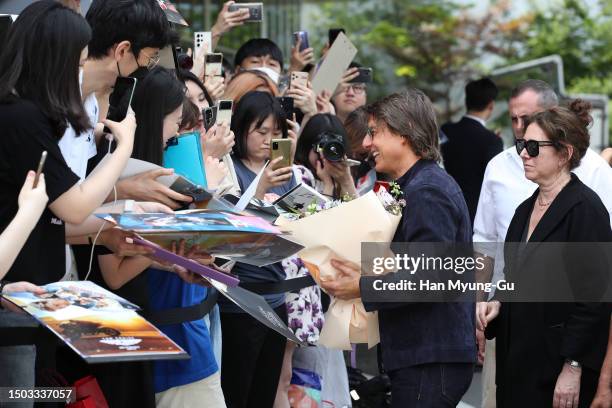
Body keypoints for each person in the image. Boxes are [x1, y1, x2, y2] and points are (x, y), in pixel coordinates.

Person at [321, 90, 476, 407]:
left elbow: (429, 280)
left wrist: (361, 286)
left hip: (429, 358)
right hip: (421, 357)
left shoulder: (428, 189)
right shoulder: (417, 185)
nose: (366, 144)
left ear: (404, 131)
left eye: (374, 132)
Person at [473, 80, 612, 408]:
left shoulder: (585, 209)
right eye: (523, 144)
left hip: (555, 367)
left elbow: (594, 301)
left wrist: (573, 366)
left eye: (534, 147)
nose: (523, 153)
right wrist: (497, 303)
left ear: (564, 154)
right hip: (517, 361)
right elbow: (516, 278)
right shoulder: (526, 208)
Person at [221, 91, 295, 408]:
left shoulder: (282, 174)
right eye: (261, 131)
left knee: (265, 389)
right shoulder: (229, 169)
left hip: (277, 296)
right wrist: (260, 189)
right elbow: (229, 233)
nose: (269, 140)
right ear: (241, 130)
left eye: (275, 134)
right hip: (240, 300)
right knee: (238, 389)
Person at [441, 77, 503, 224]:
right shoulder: (492, 141)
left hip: (446, 207)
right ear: (491, 105)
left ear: (466, 101)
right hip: (476, 215)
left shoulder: (446, 130)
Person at [294, 113, 357, 198]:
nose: (325, 155)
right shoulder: (298, 174)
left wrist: (346, 181)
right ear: (307, 146)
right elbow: (311, 211)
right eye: (321, 147)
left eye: (334, 148)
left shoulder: (345, 176)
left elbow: (356, 210)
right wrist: (328, 185)